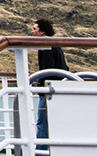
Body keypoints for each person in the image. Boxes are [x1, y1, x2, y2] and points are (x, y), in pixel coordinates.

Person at [32, 18, 68, 151]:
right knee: (55, 123)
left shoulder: (46, 46)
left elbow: (47, 68)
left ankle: (40, 151)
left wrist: (40, 83)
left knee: (43, 123)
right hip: (58, 88)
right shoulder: (55, 44)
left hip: (49, 90)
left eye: (35, 29)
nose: (32, 31)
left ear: (42, 32)